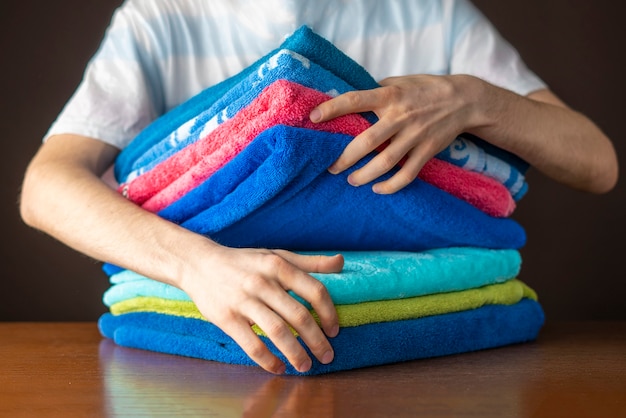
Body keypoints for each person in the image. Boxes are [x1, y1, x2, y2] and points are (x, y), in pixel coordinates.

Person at [19, 0, 617, 375]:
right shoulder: (161, 18)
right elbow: (46, 186)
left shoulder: (433, 12)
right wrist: (197, 267)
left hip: (430, 375)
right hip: (207, 360)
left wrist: (474, 98)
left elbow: (596, 162)